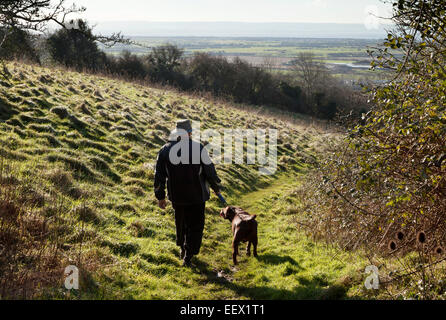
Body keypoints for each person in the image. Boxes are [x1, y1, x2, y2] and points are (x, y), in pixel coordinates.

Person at [154, 119, 222, 267]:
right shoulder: (198, 148)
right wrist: (216, 186)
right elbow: (209, 170)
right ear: (189, 133)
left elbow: (159, 175)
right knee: (196, 226)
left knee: (181, 223)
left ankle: (182, 249)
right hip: (197, 196)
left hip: (177, 196)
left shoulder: (165, 150)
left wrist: (160, 197)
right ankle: (188, 256)